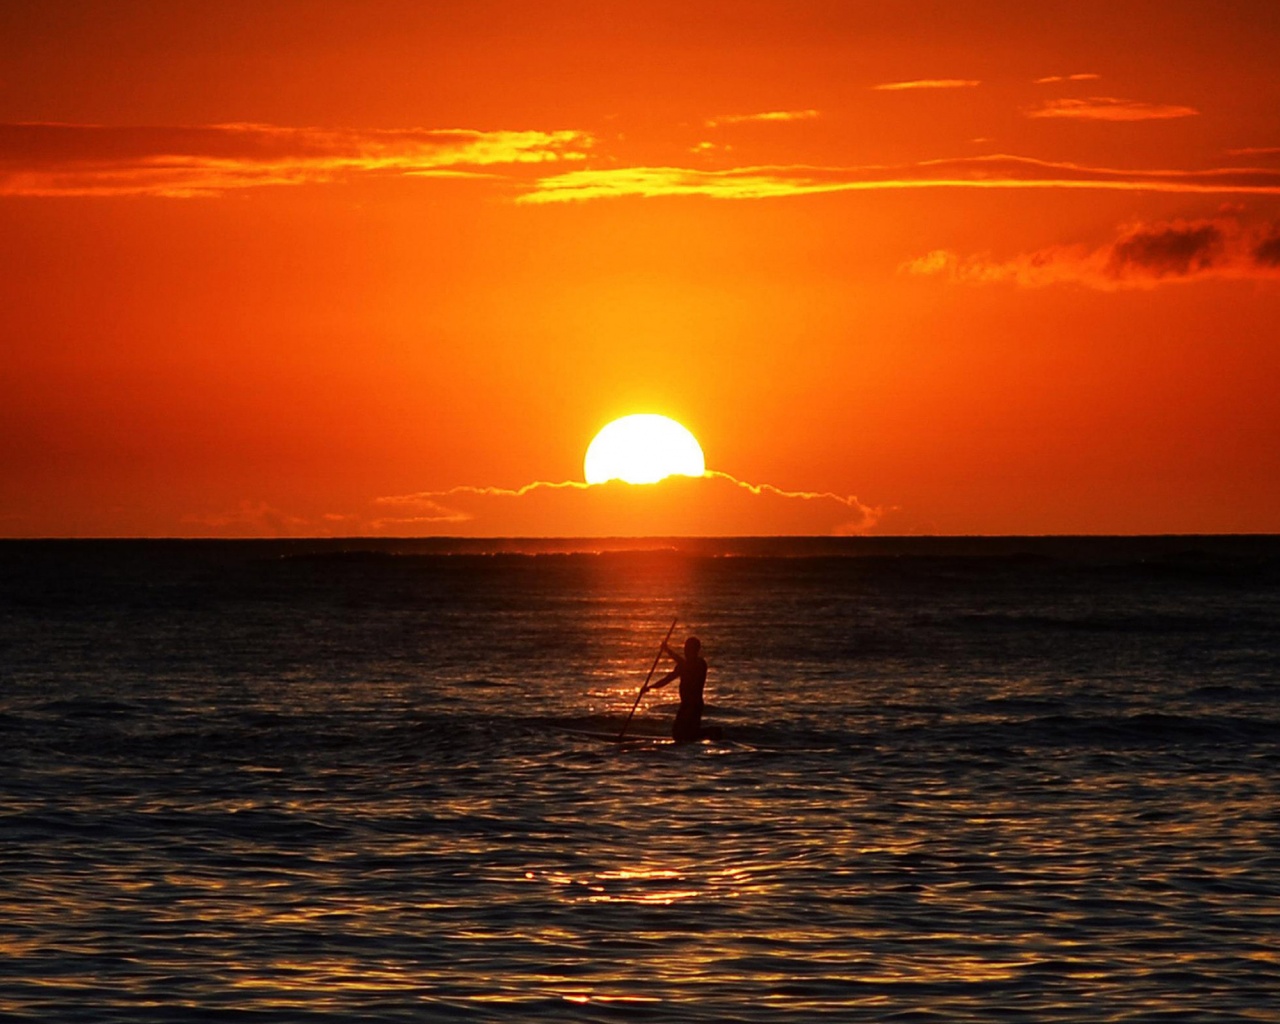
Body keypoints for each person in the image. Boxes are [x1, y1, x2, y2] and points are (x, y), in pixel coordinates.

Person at [644, 636, 710, 742]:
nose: (686, 651)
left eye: (688, 649)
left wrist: (668, 650)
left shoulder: (700, 664)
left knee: (682, 733)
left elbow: (687, 665)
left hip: (694, 704)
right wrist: (650, 687)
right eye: (685, 649)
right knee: (683, 734)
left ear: (696, 650)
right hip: (686, 704)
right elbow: (667, 679)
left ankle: (712, 733)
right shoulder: (682, 666)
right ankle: (709, 735)